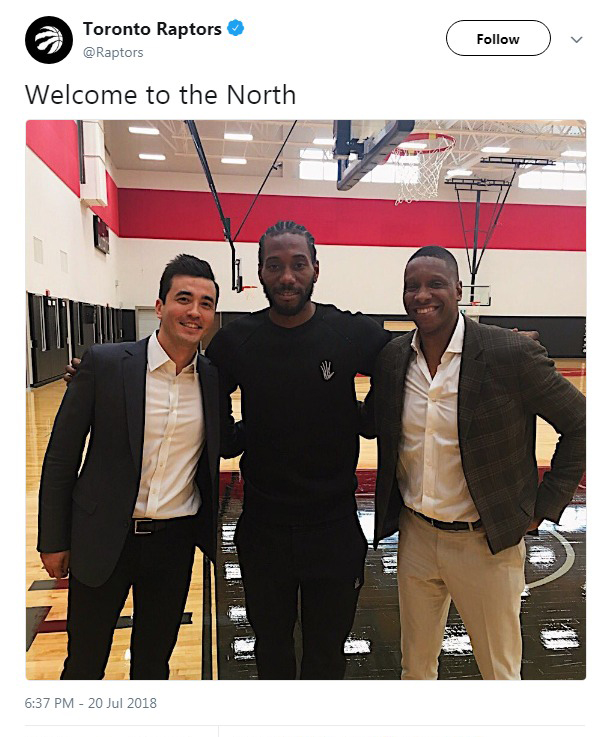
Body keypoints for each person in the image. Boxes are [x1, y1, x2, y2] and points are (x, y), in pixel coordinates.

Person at [366, 246, 586, 680]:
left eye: (435, 284)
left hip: (484, 544)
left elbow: (582, 423)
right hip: (415, 538)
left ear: (460, 290)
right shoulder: (394, 358)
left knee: (499, 675)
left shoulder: (508, 353)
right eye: (413, 286)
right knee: (416, 670)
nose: (422, 295)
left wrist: (541, 507)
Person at [205, 220, 391, 679]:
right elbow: (198, 389)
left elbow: (402, 366)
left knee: (328, 654)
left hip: (333, 528)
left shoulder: (350, 333)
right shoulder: (236, 341)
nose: (287, 277)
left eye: (298, 265)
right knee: (271, 651)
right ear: (260, 273)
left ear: (315, 270)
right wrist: (238, 436)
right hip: (263, 529)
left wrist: (364, 421)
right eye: (275, 266)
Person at [38, 255, 228, 679]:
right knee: (84, 664)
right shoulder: (105, 365)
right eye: (184, 299)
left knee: (153, 665)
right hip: (104, 537)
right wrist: (53, 540)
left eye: (206, 303)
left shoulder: (214, 379)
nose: (194, 312)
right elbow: (61, 458)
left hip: (174, 543)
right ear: (159, 306)